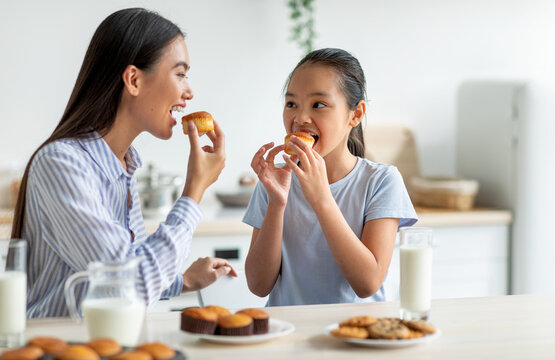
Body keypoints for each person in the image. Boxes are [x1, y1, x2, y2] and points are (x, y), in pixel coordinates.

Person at [11, 8, 236, 318]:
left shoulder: (123, 166)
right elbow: (127, 291)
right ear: (133, 79)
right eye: (180, 74)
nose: (189, 91)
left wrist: (180, 281)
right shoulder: (61, 164)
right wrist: (193, 193)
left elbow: (121, 267)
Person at [243, 48, 417, 306]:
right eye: (291, 104)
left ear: (355, 115)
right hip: (288, 335)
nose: (300, 118)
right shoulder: (275, 181)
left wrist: (322, 199)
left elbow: (367, 283)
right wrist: (277, 204)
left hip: (356, 334)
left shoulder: (381, 181)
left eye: (319, 105)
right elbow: (258, 285)